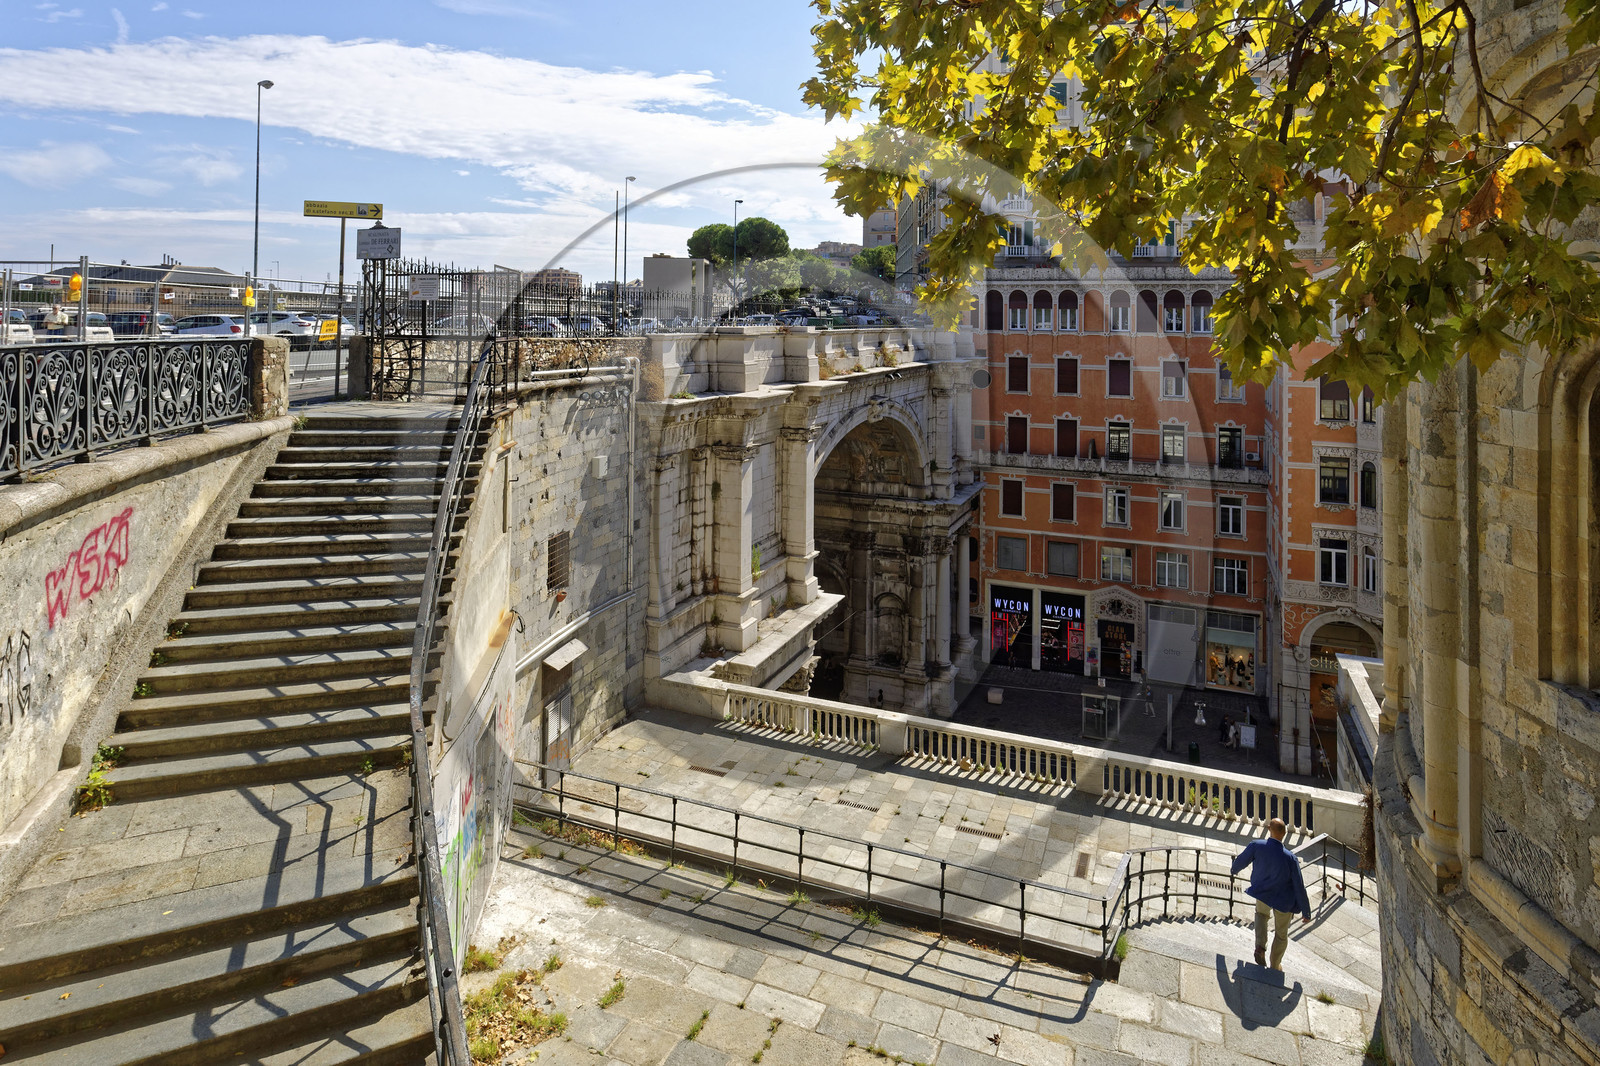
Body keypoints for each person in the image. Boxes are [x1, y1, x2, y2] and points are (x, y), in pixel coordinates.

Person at [1231, 818, 1312, 970]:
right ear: (1284, 833)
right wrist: (1306, 911)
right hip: (1284, 900)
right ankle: (1275, 965)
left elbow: (1241, 860)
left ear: (1269, 829)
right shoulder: (1291, 858)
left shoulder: (1256, 845)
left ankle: (1260, 947)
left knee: (1261, 916)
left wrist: (1234, 869)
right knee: (1281, 934)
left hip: (1263, 893)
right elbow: (1299, 886)